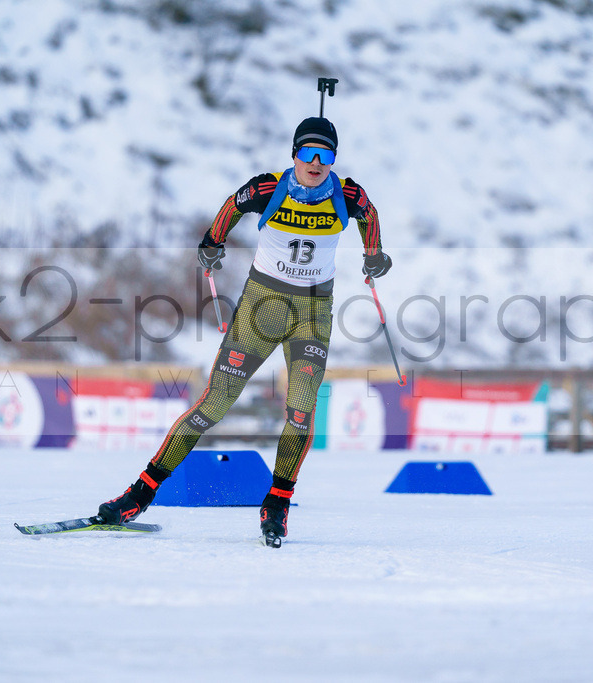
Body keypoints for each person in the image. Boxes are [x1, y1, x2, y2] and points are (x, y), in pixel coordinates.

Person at [97, 116, 391, 545]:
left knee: (301, 409)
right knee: (213, 406)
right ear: (294, 154)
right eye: (307, 152)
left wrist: (373, 253)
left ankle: (277, 504)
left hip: (312, 313)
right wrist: (212, 242)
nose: (315, 161)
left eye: (325, 154)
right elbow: (233, 205)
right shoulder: (270, 187)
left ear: (333, 160)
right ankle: (140, 493)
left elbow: (369, 213)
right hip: (261, 307)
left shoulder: (347, 194)